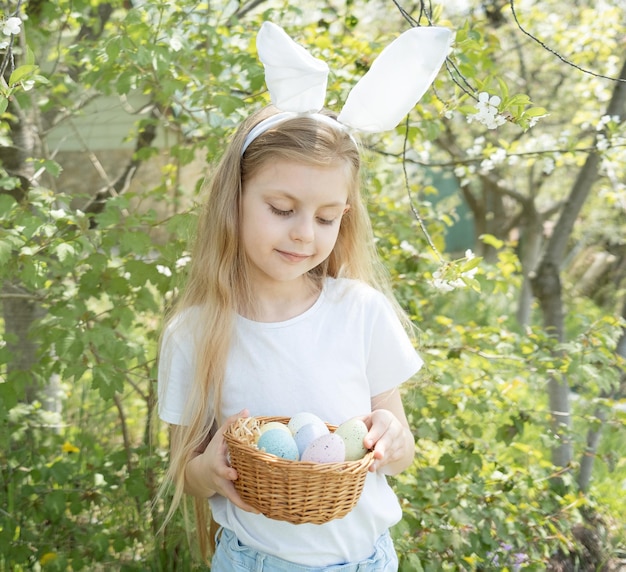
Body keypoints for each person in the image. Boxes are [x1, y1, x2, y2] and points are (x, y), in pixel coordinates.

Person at [158, 21, 451, 571]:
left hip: (367, 560)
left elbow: (401, 451)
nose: (304, 234)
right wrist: (211, 469)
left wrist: (392, 440)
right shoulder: (196, 332)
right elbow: (185, 472)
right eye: (282, 208)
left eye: (326, 218)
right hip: (255, 562)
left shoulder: (359, 312)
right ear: (235, 200)